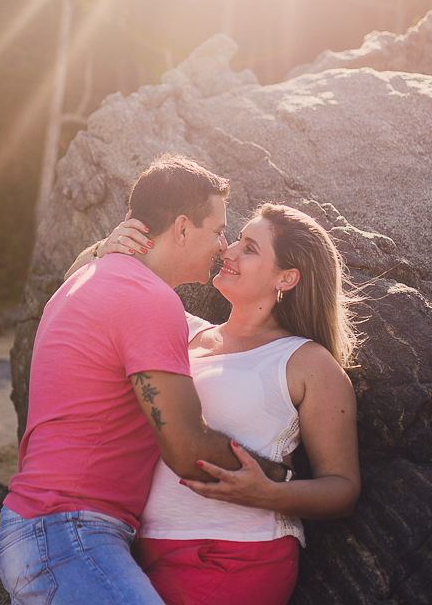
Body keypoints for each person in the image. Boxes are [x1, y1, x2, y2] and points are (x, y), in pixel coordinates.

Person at [0, 155, 291, 605]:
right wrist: (278, 477)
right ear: (182, 228)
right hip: (68, 533)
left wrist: (98, 249)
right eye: (217, 230)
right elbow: (187, 449)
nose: (222, 244)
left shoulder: (87, 279)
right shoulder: (149, 300)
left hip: (42, 528)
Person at [84, 202, 362, 605]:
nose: (227, 250)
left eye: (249, 248)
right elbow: (79, 293)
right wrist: (101, 251)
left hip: (234, 556)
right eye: (235, 240)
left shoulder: (307, 362)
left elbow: (343, 489)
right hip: (131, 550)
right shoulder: (178, 328)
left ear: (287, 277)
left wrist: (268, 494)